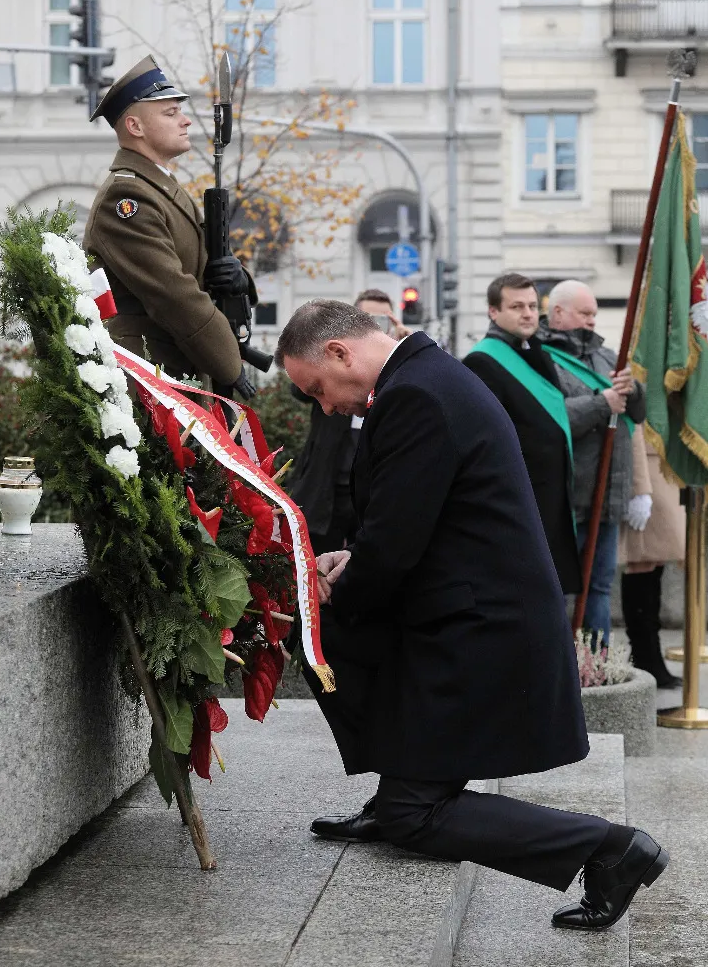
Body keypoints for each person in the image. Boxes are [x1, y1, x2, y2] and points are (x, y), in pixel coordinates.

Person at [275, 299, 668, 931]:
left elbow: (398, 542)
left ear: (340, 352)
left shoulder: (414, 395)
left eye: (316, 389)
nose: (324, 407)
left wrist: (330, 594)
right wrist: (354, 559)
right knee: (350, 663)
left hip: (480, 628)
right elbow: (415, 521)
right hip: (471, 612)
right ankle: (399, 782)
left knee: (413, 812)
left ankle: (608, 848)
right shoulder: (423, 378)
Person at [83, 55, 254, 391]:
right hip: (146, 377)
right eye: (171, 112)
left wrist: (238, 277)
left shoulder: (161, 188)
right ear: (135, 127)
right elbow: (172, 293)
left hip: (174, 370)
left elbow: (201, 264)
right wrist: (229, 364)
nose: (186, 121)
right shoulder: (127, 198)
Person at [540, 280, 646, 644]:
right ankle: (563, 669)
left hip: (607, 496)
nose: (591, 321)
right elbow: (549, 418)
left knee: (599, 588)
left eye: (594, 315)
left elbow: (639, 414)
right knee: (561, 590)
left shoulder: (605, 356)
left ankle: (597, 666)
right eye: (584, 313)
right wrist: (602, 403)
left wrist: (633, 390)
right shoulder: (540, 358)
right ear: (557, 313)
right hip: (567, 498)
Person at [463, 273, 580, 593]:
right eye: (516, 306)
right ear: (493, 312)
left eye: (532, 305)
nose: (528, 313)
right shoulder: (481, 361)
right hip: (521, 499)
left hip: (551, 494)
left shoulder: (537, 354)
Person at [290, 290, 409, 554]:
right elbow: (299, 390)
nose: (330, 406)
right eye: (369, 318)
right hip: (329, 479)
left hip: (373, 483)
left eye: (383, 321)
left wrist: (401, 348)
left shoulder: (402, 374)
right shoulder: (333, 365)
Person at [620, 426, 684, 689]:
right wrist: (639, 487)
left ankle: (648, 655)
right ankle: (644, 654)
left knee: (654, 564)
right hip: (645, 464)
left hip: (663, 460)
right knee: (642, 562)